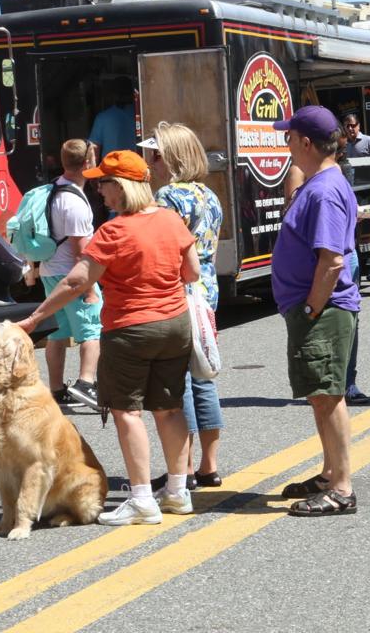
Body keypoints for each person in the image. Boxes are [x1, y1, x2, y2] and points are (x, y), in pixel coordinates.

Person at [17, 150, 200, 526]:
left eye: (105, 183)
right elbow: (193, 273)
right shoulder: (170, 220)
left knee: (127, 411)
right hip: (175, 323)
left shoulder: (114, 231)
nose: (99, 189)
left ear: (122, 187)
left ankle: (141, 499)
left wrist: (36, 317)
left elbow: (76, 280)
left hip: (130, 328)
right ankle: (178, 492)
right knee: (169, 408)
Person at [270, 106, 360, 516]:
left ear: (305, 142)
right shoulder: (320, 183)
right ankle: (329, 473)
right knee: (321, 394)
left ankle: (341, 487)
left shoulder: (324, 191)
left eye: (289, 135)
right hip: (318, 308)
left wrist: (310, 308)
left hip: (322, 310)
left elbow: (332, 260)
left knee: (327, 395)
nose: (285, 142)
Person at [143, 122, 226, 488]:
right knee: (203, 374)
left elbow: (164, 248)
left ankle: (185, 467)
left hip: (178, 287)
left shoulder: (167, 197)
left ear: (172, 157)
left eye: (157, 154)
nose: (151, 162)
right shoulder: (210, 195)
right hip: (207, 286)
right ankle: (209, 465)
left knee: (179, 378)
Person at [40, 139, 102, 409]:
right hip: (73, 274)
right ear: (87, 163)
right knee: (91, 330)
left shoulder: (53, 190)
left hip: (50, 272)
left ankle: (56, 388)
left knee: (57, 333)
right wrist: (88, 288)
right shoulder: (75, 203)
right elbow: (81, 252)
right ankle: (86, 384)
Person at [88, 76, 138, 160]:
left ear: (113, 95)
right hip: (136, 169)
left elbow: (94, 149)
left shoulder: (102, 118)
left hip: (111, 170)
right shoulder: (141, 116)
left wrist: (93, 170)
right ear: (132, 93)